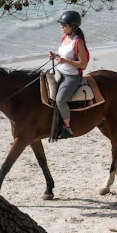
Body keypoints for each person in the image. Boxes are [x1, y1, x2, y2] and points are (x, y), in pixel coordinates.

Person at [49, 10, 89, 140]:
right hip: (60, 71)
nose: (61, 26)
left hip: (71, 77)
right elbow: (64, 55)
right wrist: (56, 56)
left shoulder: (78, 42)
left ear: (73, 26)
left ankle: (67, 128)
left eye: (64, 25)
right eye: (61, 24)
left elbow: (83, 64)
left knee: (60, 100)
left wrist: (65, 61)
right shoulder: (65, 38)